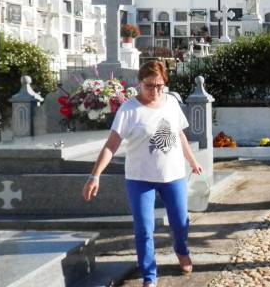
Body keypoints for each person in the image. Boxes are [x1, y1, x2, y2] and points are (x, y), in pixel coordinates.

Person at [82, 61, 202, 287]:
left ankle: (181, 250)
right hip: (140, 179)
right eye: (150, 86)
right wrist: (95, 175)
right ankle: (149, 275)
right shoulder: (129, 110)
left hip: (173, 175)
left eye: (160, 86)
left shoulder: (172, 103)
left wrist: (192, 161)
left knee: (180, 222)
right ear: (140, 83)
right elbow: (111, 145)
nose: (155, 91)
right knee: (144, 229)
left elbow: (179, 135)